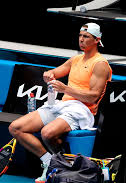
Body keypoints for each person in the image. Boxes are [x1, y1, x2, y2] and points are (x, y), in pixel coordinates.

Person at [8, 22, 112, 183]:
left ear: (97, 40)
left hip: (82, 110)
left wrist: (66, 89)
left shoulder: (100, 65)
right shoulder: (76, 59)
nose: (81, 39)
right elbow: (56, 72)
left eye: (86, 36)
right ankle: (50, 163)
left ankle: (60, 166)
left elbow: (93, 97)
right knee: (16, 128)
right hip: (63, 106)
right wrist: (48, 74)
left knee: (47, 133)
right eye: (80, 36)